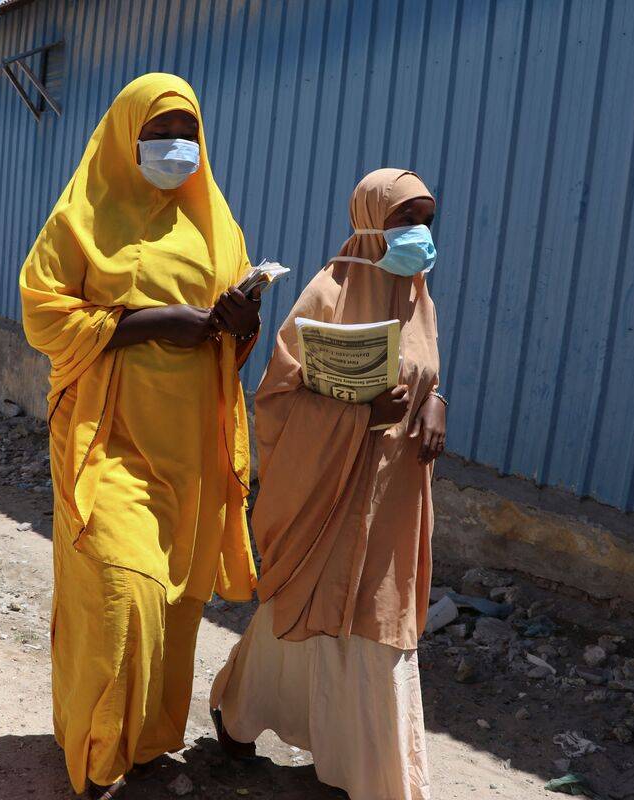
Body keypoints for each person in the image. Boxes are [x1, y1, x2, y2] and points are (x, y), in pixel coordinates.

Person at [20, 72, 261, 798]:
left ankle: (148, 738)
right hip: (109, 438)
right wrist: (146, 323)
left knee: (177, 603)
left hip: (189, 444)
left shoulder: (215, 222)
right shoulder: (80, 219)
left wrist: (237, 326)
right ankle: (96, 752)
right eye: (158, 133)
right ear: (127, 136)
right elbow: (42, 313)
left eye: (186, 132)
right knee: (124, 592)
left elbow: (230, 327)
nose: (175, 147)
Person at [210, 168, 445, 800]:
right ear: (371, 222)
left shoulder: (419, 294)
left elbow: (425, 369)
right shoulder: (326, 293)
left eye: (426, 220)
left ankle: (373, 773)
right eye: (404, 220)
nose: (418, 234)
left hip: (393, 496)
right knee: (310, 601)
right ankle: (240, 714)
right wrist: (360, 417)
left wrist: (433, 404)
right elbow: (277, 404)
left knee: (375, 620)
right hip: (326, 494)